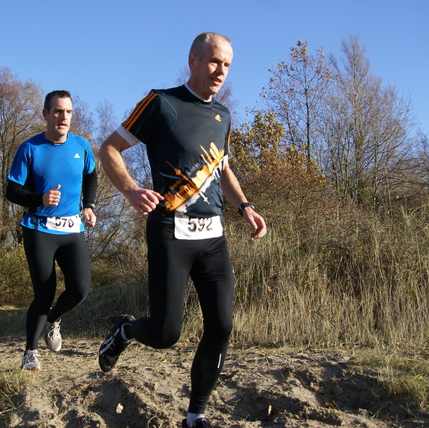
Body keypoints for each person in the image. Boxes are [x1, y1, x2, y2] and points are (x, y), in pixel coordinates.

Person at [98, 32, 267, 427]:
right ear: (192, 60)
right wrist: (131, 189)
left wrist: (245, 206)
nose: (220, 71)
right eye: (213, 62)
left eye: (226, 65)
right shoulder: (161, 103)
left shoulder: (223, 115)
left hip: (213, 237)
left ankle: (196, 415)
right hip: (169, 233)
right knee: (165, 333)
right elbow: (109, 148)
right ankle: (124, 330)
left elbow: (222, 167)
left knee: (222, 325)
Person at [6, 90, 97, 371]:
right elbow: (12, 190)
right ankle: (30, 353)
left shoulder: (81, 147)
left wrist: (89, 206)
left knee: (80, 289)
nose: (63, 117)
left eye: (68, 112)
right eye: (57, 111)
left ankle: (54, 319)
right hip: (38, 229)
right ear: (46, 115)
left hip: (72, 229)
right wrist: (40, 199)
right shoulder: (30, 148)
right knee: (44, 292)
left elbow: (91, 175)